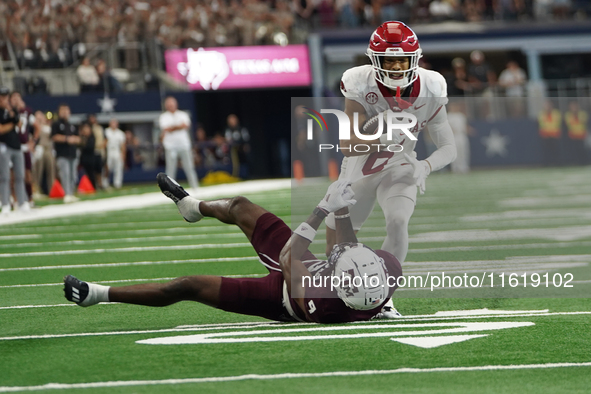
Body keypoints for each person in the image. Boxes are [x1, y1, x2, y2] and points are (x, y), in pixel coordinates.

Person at [63, 176, 403, 323]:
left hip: (282, 294)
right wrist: (341, 208)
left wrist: (321, 209)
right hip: (309, 269)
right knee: (240, 205)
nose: (342, 253)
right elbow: (345, 247)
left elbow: (289, 258)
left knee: (186, 286)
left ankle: (98, 294)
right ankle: (191, 206)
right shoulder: (384, 271)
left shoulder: (327, 306)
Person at [326, 21, 456, 265]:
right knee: (334, 245)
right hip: (360, 166)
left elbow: (449, 148)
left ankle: (384, 295)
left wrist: (425, 166)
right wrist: (380, 139)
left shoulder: (431, 85)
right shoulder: (359, 82)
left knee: (398, 221)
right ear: (376, 60)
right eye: (388, 60)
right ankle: (346, 292)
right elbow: (347, 145)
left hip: (400, 164)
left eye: (402, 60)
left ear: (414, 60)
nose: (396, 66)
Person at [159, 96, 199, 192]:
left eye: (172, 104)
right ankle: (170, 190)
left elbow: (186, 125)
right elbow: (166, 128)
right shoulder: (164, 117)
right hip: (170, 146)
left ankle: (195, 187)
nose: (171, 106)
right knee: (170, 169)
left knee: (189, 167)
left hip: (184, 145)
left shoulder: (182, 114)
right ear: (166, 106)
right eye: (169, 105)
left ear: (176, 104)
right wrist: (178, 126)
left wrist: (172, 128)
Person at [0, 87, 29, 214]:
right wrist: (12, 124)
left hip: (16, 146)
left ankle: (22, 202)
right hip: (4, 146)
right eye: (2, 96)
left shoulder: (11, 110)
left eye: (6, 96)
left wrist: (11, 115)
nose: (4, 99)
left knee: (20, 176)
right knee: (5, 177)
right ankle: (5, 203)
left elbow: (20, 124)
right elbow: (1, 129)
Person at [51, 104, 80, 203]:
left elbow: (78, 138)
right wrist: (67, 139)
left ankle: (71, 193)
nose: (65, 113)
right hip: (62, 154)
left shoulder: (71, 125)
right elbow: (54, 137)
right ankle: (66, 194)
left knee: (72, 175)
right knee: (65, 174)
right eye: (62, 111)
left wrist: (76, 139)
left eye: (66, 110)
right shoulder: (56, 124)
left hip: (72, 153)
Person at [32, 110, 55, 197]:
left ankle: (52, 190)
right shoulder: (36, 126)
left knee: (51, 169)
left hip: (48, 149)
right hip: (40, 148)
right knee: (38, 170)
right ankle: (36, 189)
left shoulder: (49, 126)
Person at [538, 100, 562, 166]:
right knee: (546, 150)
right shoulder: (541, 114)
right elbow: (541, 124)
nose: (547, 107)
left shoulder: (556, 113)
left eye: (549, 105)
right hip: (546, 135)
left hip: (554, 134)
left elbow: (557, 123)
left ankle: (557, 163)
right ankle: (547, 163)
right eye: (546, 106)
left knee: (556, 150)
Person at [104, 118, 126, 189]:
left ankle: (117, 183)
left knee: (118, 168)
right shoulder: (106, 131)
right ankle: (105, 183)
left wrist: (123, 155)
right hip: (109, 151)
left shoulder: (120, 133)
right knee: (107, 168)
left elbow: (122, 145)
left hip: (117, 151)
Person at [564, 100, 588, 165]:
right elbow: (569, 123)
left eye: (575, 106)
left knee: (582, 149)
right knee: (574, 150)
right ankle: (575, 162)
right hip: (573, 135)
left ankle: (584, 162)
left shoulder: (582, 113)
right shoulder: (568, 115)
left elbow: (584, 121)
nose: (574, 108)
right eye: (572, 106)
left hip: (581, 135)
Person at [87, 114, 106, 190]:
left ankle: (101, 184)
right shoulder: (89, 128)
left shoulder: (100, 128)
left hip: (100, 151)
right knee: (93, 169)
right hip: (92, 151)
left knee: (100, 169)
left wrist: (103, 146)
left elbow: (105, 138)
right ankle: (94, 185)